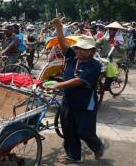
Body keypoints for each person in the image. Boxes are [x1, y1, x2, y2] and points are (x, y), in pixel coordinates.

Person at [47, 18, 104, 164]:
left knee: (84, 132)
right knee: (68, 130)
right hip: (68, 101)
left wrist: (58, 85)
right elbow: (62, 42)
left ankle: (97, 147)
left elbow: (78, 81)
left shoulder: (94, 65)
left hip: (85, 104)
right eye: (78, 48)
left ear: (92, 51)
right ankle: (73, 156)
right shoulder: (73, 56)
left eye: (84, 49)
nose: (79, 51)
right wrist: (59, 27)